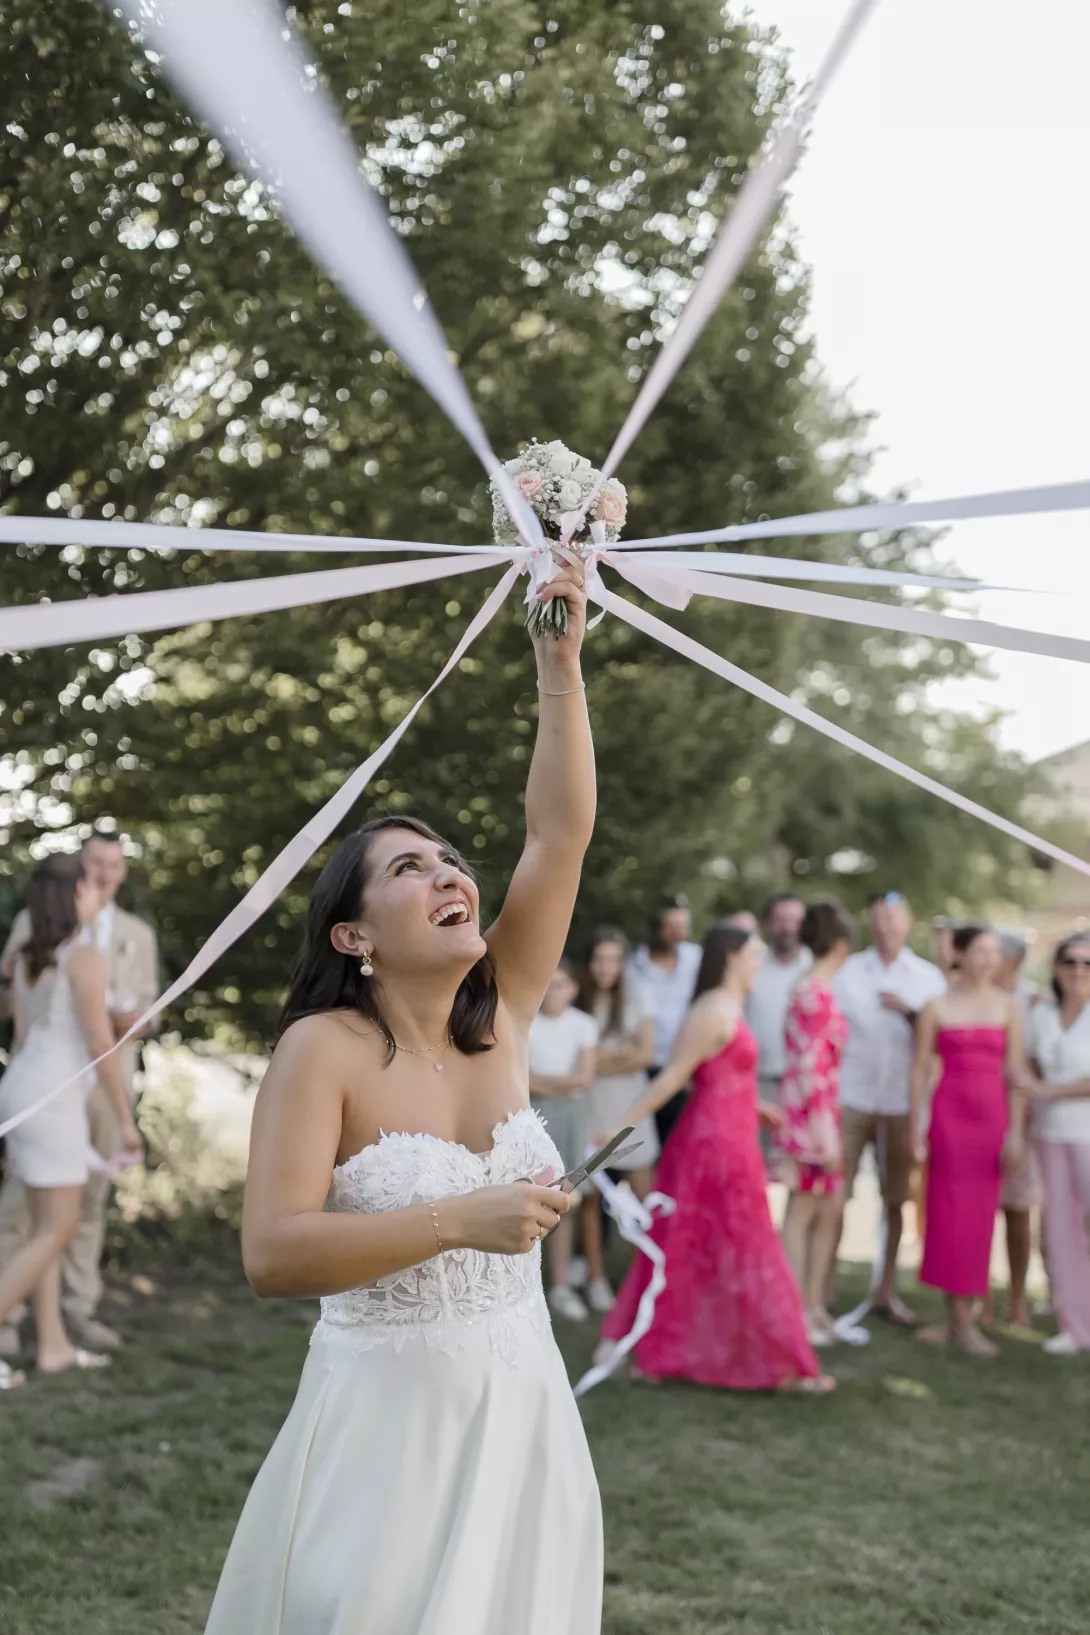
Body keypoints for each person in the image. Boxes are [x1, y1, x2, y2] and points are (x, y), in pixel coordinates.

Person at [203, 556, 603, 1635]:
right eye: (410, 869)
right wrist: (453, 1222)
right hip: (388, 1434)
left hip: (521, 1413)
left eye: (450, 860)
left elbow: (556, 835)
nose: (448, 875)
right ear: (355, 935)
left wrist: (557, 663)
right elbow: (272, 1257)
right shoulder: (320, 1051)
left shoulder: (504, 1015)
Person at [596, 924, 832, 1392]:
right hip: (714, 1144)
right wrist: (622, 1126)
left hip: (734, 1133)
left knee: (718, 1242)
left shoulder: (728, 1007)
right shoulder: (714, 1011)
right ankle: (771, 1360)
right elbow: (673, 1079)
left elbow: (721, 1074)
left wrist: (753, 1105)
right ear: (731, 956)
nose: (759, 960)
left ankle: (745, 1351)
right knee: (728, 1243)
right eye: (754, 952)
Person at [0, 829, 159, 1356]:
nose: (97, 890)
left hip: (22, 1087)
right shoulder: (85, 953)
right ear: (74, 895)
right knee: (57, 1228)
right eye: (88, 883)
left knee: (46, 1224)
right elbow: (98, 1042)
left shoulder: (28, 953)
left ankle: (53, 1348)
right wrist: (127, 1123)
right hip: (55, 1098)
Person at [909, 926, 1026, 1357]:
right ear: (961, 954)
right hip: (948, 1119)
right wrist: (915, 1127)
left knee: (978, 1220)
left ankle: (968, 1320)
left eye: (994, 952)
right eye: (980, 950)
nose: (988, 959)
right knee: (946, 1215)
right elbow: (920, 1069)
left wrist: (1014, 1131)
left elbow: (1014, 1076)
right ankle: (954, 1320)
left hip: (990, 1121)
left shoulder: (1010, 1007)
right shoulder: (935, 1006)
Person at [833, 892, 946, 1325]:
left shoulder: (927, 979)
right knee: (836, 1195)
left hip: (903, 1102)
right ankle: (822, 1287)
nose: (885, 927)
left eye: (892, 919)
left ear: (908, 922)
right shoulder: (848, 972)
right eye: (878, 919)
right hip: (853, 1096)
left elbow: (939, 1043)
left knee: (896, 1198)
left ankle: (885, 1290)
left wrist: (910, 1013)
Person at [778, 899, 856, 1346]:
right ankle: (797, 1312)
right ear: (841, 946)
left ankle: (815, 1306)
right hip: (811, 1119)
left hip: (821, 1113)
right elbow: (810, 1072)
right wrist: (824, 1140)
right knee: (804, 1210)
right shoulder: (812, 992)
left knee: (828, 1209)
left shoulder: (816, 990)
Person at [577, 928, 658, 1314]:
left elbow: (644, 1055)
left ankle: (649, 1275)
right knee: (591, 1199)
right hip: (593, 1108)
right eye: (599, 959)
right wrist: (612, 1058)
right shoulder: (580, 999)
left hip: (632, 1106)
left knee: (646, 1197)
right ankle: (595, 1279)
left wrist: (600, 1062)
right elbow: (580, 1064)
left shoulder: (638, 995)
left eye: (613, 959)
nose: (606, 967)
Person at [1023, 932, 1090, 1355]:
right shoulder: (1042, 1014)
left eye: (1087, 963)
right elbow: (1027, 1064)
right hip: (1049, 1136)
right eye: (1070, 961)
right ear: (1056, 967)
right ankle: (1075, 1324)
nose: (1078, 970)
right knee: (1060, 1230)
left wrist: (1044, 1091)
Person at [528, 959, 598, 1322]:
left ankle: (560, 1284)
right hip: (535, 1115)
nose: (553, 992)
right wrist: (557, 1082)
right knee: (529, 1196)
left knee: (566, 1201)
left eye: (561, 985)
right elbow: (524, 1080)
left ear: (572, 988)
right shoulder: (527, 1025)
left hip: (570, 1119)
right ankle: (527, 1284)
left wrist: (545, 1081)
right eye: (548, 984)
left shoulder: (583, 1025)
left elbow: (584, 1078)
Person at [989, 930, 1041, 1328]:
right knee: (981, 1214)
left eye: (995, 953)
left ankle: (1018, 1298)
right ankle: (982, 1297)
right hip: (980, 1117)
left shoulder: (1035, 1002)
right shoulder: (975, 996)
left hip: (1022, 1118)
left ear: (1013, 961)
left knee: (1018, 1212)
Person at [628, 895, 702, 1146]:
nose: (676, 934)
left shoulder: (697, 959)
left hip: (686, 1069)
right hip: (645, 1068)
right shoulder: (633, 966)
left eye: (682, 927)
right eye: (670, 927)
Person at [746, 893, 812, 1158]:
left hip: (802, 1087)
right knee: (754, 1162)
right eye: (781, 920)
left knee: (799, 1169)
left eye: (794, 921)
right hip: (758, 1083)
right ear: (769, 925)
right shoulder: (751, 964)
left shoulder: (815, 966)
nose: (788, 928)